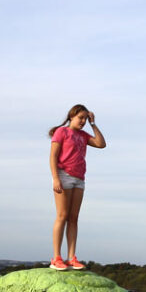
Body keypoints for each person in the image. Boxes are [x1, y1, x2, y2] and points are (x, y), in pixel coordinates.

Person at [48, 104, 106, 271]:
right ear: (71, 116)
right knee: (62, 215)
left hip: (79, 179)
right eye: (80, 118)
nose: (83, 122)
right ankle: (56, 257)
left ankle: (71, 257)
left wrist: (93, 124)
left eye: (85, 119)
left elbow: (101, 144)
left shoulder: (83, 135)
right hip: (63, 175)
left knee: (73, 218)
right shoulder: (62, 132)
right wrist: (55, 178)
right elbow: (52, 156)